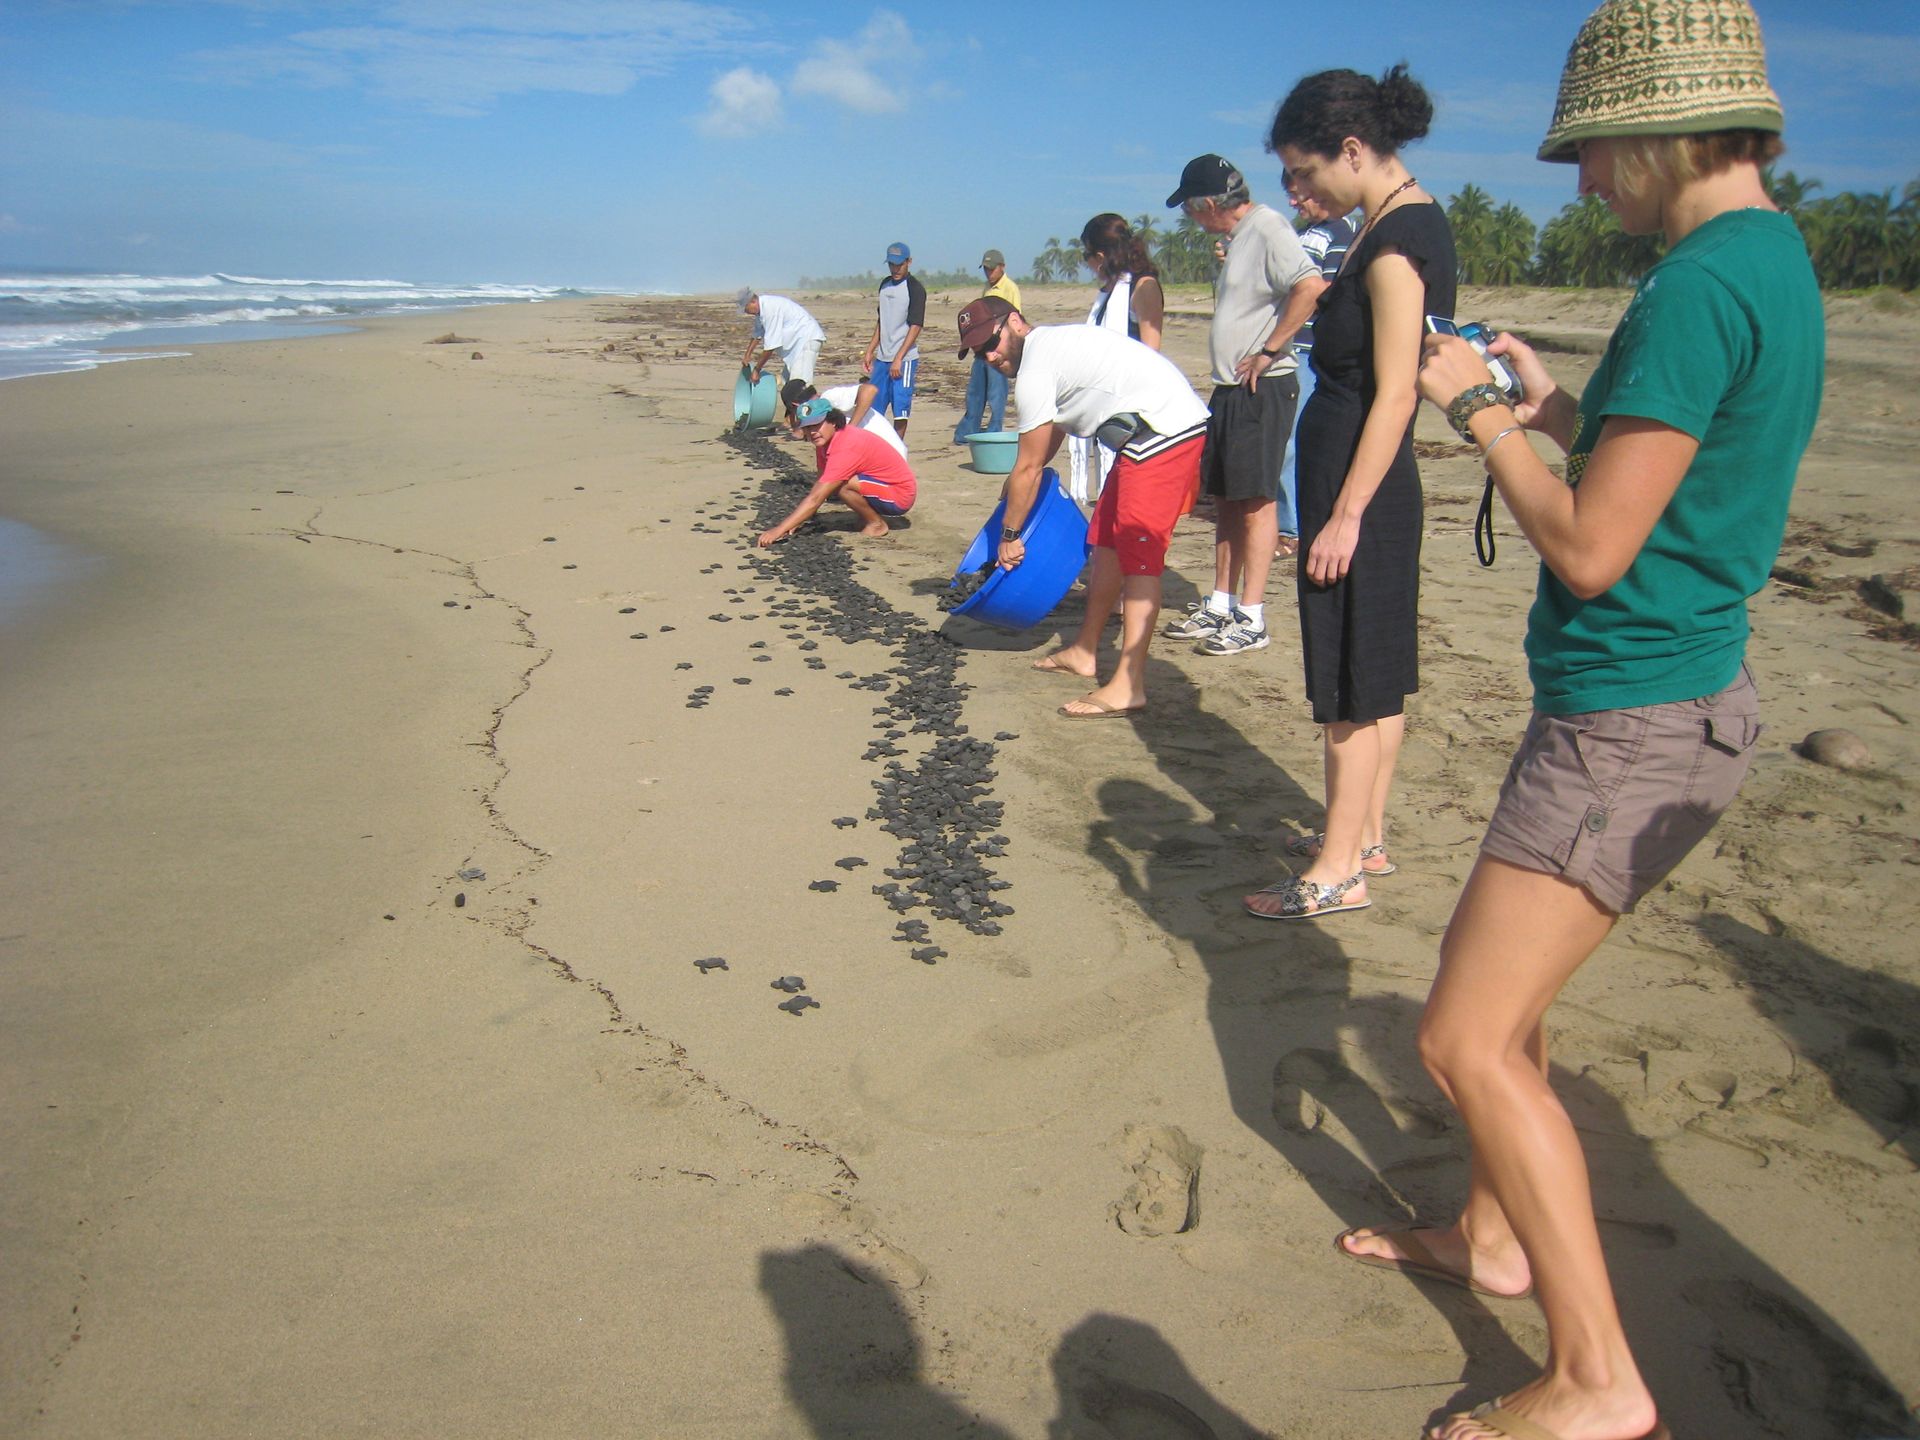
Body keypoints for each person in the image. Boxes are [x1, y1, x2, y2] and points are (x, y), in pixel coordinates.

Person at [1331, 6, 1821, 1439]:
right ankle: (1491, 1243)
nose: (1585, 184)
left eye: (1594, 155)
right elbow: (1666, 469)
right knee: (1514, 1012)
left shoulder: (1692, 288)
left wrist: (1476, 412)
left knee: (1462, 1040)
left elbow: (1594, 552)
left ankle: (1599, 1378)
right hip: (1675, 696)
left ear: (1658, 131)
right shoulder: (1768, 262)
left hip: (1631, 716)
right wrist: (1553, 409)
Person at [1245, 67, 1454, 919]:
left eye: (1304, 170)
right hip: (1362, 480)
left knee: (1346, 684)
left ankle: (1337, 871)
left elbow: (1398, 389)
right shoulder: (1391, 224)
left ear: (1354, 150)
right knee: (1375, 672)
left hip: (1361, 486)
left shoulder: (1399, 239)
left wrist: (1344, 514)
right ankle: (1361, 834)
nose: (1299, 190)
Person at [955, 295, 1208, 720]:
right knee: (1104, 540)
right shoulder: (1046, 352)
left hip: (1165, 432)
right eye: (980, 352)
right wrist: (1012, 495)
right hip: (1139, 441)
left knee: (1139, 559)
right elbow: (1042, 445)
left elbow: (1031, 466)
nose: (990, 356)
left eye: (992, 342)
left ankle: (1129, 683)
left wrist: (1010, 538)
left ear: (1014, 321)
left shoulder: (1036, 367)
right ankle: (1085, 651)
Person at [1161, 155, 1325, 658]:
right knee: (1227, 501)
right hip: (1231, 389)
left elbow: (1310, 287)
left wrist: (1272, 347)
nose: (1189, 217)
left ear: (1209, 203)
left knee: (1256, 501)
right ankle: (1222, 601)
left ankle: (1251, 616)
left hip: (1265, 386)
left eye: (1189, 208)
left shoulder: (1270, 225)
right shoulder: (1242, 238)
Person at [1277, 170, 1360, 556]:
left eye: (1298, 195)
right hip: (1295, 349)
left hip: (1308, 351)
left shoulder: (1340, 234)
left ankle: (1292, 526)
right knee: (1287, 441)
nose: (1295, 202)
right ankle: (1289, 520)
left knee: (1292, 441)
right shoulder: (1307, 235)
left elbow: (1321, 293)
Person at [1065, 214, 1167, 503]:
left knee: (1128, 494)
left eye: (1086, 257)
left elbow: (1151, 355)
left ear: (1099, 256)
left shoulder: (1142, 287)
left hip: (1130, 406)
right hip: (1104, 405)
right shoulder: (1109, 293)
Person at [756, 397, 916, 548]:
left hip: (899, 495)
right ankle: (866, 517)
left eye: (817, 425)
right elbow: (819, 484)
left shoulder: (845, 444)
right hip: (878, 485)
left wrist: (779, 529)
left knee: (841, 486)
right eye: (807, 427)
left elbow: (816, 497)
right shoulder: (824, 443)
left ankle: (876, 524)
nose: (812, 432)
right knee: (832, 484)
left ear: (833, 422)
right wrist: (799, 519)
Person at [952, 249, 1023, 444]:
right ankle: (966, 432)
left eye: (991, 269)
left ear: (1002, 267)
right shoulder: (986, 288)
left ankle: (994, 433)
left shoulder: (1010, 288)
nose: (988, 273)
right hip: (981, 349)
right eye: (985, 269)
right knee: (974, 393)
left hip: (999, 350)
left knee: (996, 394)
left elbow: (1014, 321)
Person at [858, 242, 926, 439]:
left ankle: (897, 448)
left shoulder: (915, 288)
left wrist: (899, 358)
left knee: (900, 410)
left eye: (899, 265)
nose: (895, 269)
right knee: (874, 406)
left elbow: (916, 325)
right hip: (882, 358)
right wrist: (871, 350)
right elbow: (882, 321)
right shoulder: (885, 285)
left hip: (903, 360)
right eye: (892, 265)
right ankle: (875, 446)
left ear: (909, 262)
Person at [781, 377, 908, 459]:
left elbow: (870, 390)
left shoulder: (829, 398)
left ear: (796, 405)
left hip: (891, 455)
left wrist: (850, 430)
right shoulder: (818, 418)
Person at [737, 289, 825, 389]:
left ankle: (813, 403)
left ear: (753, 301)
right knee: (787, 382)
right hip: (797, 345)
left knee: (800, 384)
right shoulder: (761, 312)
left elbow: (771, 346)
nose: (747, 312)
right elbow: (757, 334)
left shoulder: (770, 309)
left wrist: (757, 370)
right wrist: (747, 355)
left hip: (807, 340)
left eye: (746, 309)